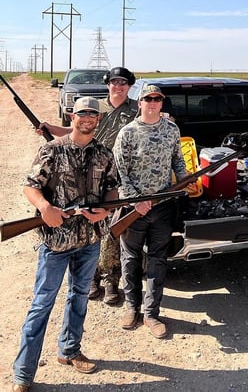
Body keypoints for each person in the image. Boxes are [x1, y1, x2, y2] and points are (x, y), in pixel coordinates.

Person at [12, 97, 119, 392]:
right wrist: (45, 207)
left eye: (92, 114)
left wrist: (107, 210)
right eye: (82, 113)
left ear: (98, 120)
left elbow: (112, 189)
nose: (87, 118)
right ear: (72, 116)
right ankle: (23, 374)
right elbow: (30, 185)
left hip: (89, 241)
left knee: (80, 297)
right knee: (42, 304)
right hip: (56, 243)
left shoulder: (103, 154)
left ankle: (69, 351)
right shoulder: (51, 149)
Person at [40, 66, 138, 305]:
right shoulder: (96, 108)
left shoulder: (137, 108)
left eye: (123, 82)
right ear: (108, 84)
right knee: (87, 225)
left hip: (121, 175)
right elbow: (78, 131)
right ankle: (91, 279)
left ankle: (111, 282)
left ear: (129, 86)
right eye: (114, 82)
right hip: (92, 172)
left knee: (113, 229)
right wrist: (52, 130)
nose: (118, 86)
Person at [113, 85, 187, 339]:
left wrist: (185, 180)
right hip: (134, 209)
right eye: (148, 99)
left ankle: (151, 313)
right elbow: (119, 172)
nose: (153, 102)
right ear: (139, 103)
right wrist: (136, 202)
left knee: (158, 260)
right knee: (131, 258)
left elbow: (177, 160)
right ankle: (131, 307)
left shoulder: (172, 130)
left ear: (161, 103)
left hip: (163, 207)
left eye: (157, 99)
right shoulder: (128, 133)